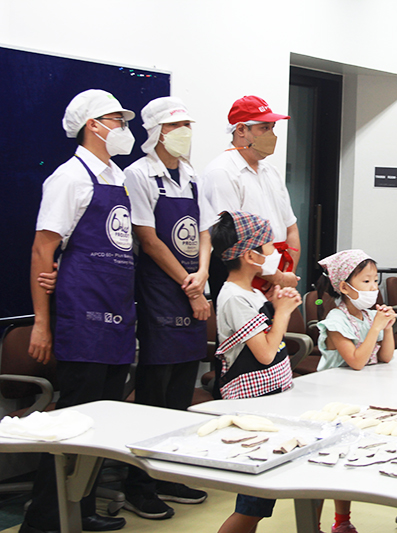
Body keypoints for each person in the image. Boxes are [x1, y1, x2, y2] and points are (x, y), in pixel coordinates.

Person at [23, 89, 137, 533]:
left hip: (116, 317)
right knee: (75, 424)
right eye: (117, 119)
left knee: (103, 424)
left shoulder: (117, 176)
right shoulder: (69, 178)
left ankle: (82, 509)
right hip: (82, 316)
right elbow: (42, 250)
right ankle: (46, 521)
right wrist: (41, 323)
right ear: (94, 125)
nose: (124, 129)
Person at [121, 97, 211, 519]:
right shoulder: (138, 175)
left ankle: (169, 473)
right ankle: (139, 483)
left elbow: (205, 234)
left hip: (194, 285)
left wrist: (203, 276)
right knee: (154, 391)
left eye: (188, 124)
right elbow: (149, 238)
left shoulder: (191, 176)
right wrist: (189, 286)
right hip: (161, 290)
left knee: (180, 389)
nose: (185, 132)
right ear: (157, 130)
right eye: (178, 125)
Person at [211, 211, 301, 533]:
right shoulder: (233, 297)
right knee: (253, 503)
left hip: (270, 401)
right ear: (250, 256)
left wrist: (276, 303)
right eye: (267, 247)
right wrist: (283, 312)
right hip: (252, 405)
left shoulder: (249, 293)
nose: (273, 253)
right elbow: (264, 353)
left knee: (259, 501)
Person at [311, 250, 397, 533]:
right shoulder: (336, 319)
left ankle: (343, 521)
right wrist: (375, 327)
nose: (374, 288)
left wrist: (388, 328)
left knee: (346, 458)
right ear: (345, 287)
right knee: (323, 466)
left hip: (357, 395)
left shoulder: (368, 315)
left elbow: (385, 357)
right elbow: (357, 361)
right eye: (366, 281)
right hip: (331, 400)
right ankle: (311, 524)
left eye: (376, 281)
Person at [203, 95, 300, 305]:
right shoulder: (222, 172)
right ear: (240, 130)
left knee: (276, 337)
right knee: (246, 337)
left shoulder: (270, 171)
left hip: (277, 273)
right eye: (264, 128)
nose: (271, 135)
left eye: (273, 128)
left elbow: (291, 227)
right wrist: (278, 278)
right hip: (241, 275)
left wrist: (285, 276)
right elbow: (233, 243)